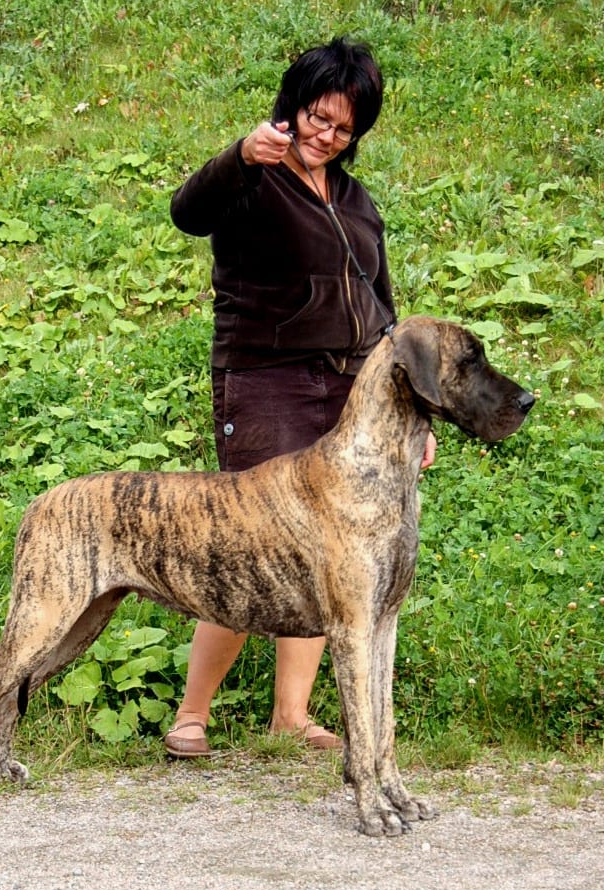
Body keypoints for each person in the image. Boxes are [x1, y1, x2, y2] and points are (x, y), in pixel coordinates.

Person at [164, 38, 436, 758]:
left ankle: (292, 713)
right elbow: (187, 211)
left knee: (332, 551)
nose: (326, 135)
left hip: (351, 391)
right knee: (250, 546)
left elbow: (384, 306)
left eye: (344, 128)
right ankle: (193, 713)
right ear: (293, 106)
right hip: (267, 380)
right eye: (318, 117)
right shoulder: (254, 176)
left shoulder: (354, 197)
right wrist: (237, 155)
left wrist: (417, 417)